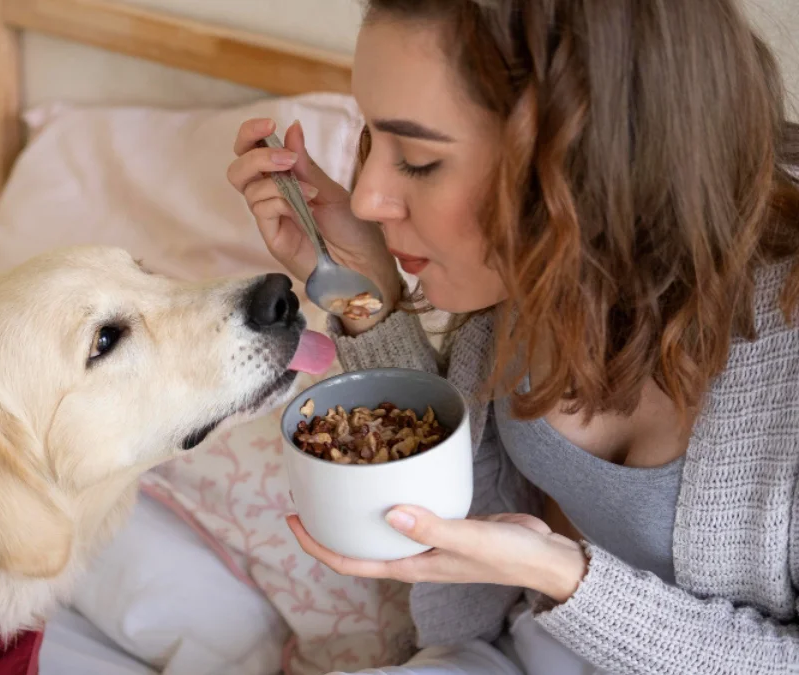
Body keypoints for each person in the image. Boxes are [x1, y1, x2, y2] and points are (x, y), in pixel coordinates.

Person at [227, 1, 799, 673]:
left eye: (415, 158)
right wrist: (367, 295)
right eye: (370, 141)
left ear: (586, 166)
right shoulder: (540, 271)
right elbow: (466, 492)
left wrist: (570, 578)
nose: (366, 199)